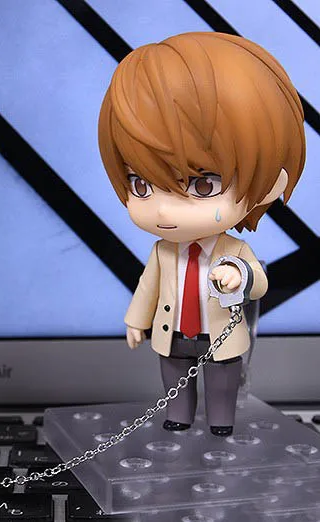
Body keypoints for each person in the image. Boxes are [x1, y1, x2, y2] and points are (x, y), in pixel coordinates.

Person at [98, 32, 305, 436]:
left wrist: (239, 275)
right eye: (141, 184)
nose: (163, 209)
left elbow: (259, 282)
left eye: (203, 184)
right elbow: (148, 287)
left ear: (269, 184)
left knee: (223, 381)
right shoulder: (163, 251)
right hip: (172, 332)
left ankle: (222, 422)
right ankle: (179, 417)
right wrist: (135, 320)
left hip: (220, 334)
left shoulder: (233, 248)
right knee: (174, 377)